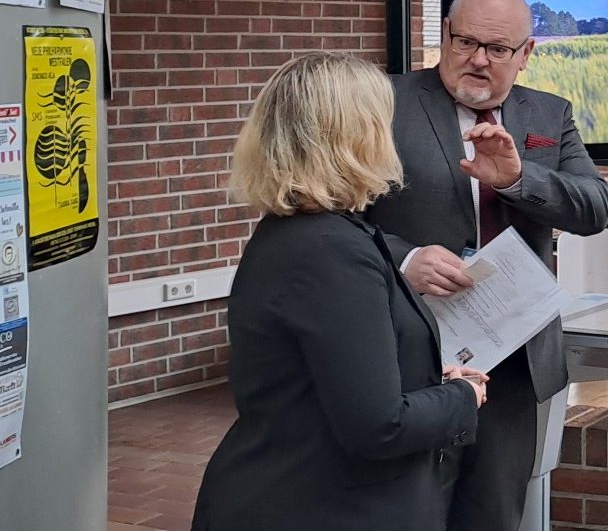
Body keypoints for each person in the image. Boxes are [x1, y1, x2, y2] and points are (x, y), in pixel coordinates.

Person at [191, 52, 487, 531]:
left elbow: (333, 373)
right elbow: (379, 426)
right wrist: (461, 397)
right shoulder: (331, 252)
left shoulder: (302, 232)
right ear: (354, 137)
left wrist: (427, 377)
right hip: (318, 505)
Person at [367, 0, 608, 531]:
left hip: (511, 360)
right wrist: (403, 260)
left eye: (498, 49)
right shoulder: (384, 103)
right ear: (445, 35)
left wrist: (519, 179)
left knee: (493, 513)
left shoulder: (548, 114)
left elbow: (595, 208)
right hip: (408, 354)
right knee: (404, 510)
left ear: (526, 53)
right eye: (466, 42)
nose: (478, 59)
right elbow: (337, 215)